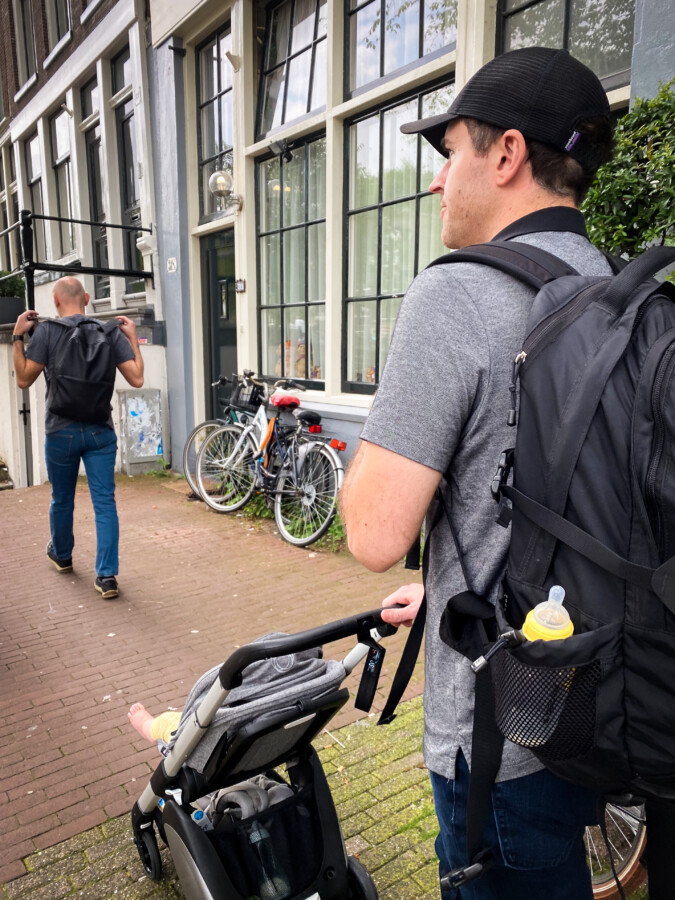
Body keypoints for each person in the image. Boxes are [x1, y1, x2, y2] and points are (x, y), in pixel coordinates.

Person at [340, 47, 615, 899]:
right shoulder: (610, 284)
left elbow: (374, 535)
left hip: (495, 733)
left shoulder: (454, 294)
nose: (435, 181)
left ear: (504, 155)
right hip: (590, 691)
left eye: (448, 150)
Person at [13, 276, 144, 599]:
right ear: (86, 298)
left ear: (56, 302)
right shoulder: (109, 332)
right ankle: (107, 577)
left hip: (61, 430)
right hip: (101, 430)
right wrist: (133, 340)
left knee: (62, 498)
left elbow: (23, 379)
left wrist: (17, 336)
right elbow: (137, 378)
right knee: (104, 503)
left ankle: (62, 555)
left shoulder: (46, 332)